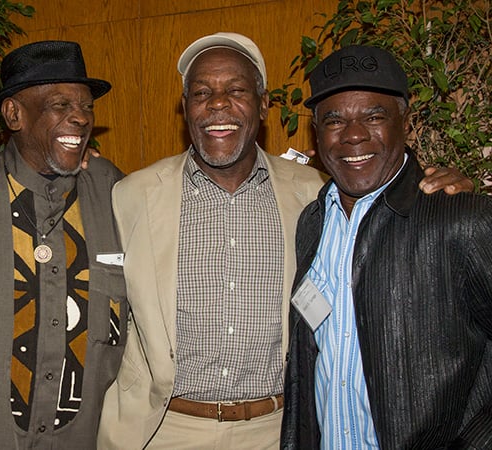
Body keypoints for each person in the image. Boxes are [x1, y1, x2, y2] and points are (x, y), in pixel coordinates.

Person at [96, 33, 473, 449]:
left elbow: (389, 207)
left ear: (263, 105)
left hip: (275, 431)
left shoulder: (316, 194)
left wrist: (441, 189)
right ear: (185, 108)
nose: (218, 104)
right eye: (202, 93)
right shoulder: (130, 195)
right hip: (161, 430)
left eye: (236, 90)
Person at [280, 45, 492, 448]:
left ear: (405, 123)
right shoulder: (312, 223)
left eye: (374, 117)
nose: (353, 134)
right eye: (334, 120)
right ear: (316, 132)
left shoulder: (460, 219)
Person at [0, 41, 127, 448]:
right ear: (14, 114)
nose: (81, 117)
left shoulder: (113, 192)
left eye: (86, 106)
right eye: (60, 105)